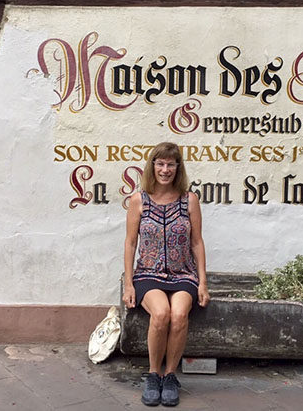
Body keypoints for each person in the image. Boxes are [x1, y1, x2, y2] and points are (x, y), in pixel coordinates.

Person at [123, 142, 209, 407]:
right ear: (152, 167)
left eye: (171, 164)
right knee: (160, 314)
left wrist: (203, 282)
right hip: (148, 273)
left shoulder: (189, 200)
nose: (165, 169)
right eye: (160, 163)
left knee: (179, 314)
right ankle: (153, 374)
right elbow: (130, 243)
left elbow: (197, 242)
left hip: (183, 273)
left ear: (177, 168)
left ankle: (170, 375)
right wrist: (128, 283)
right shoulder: (139, 200)